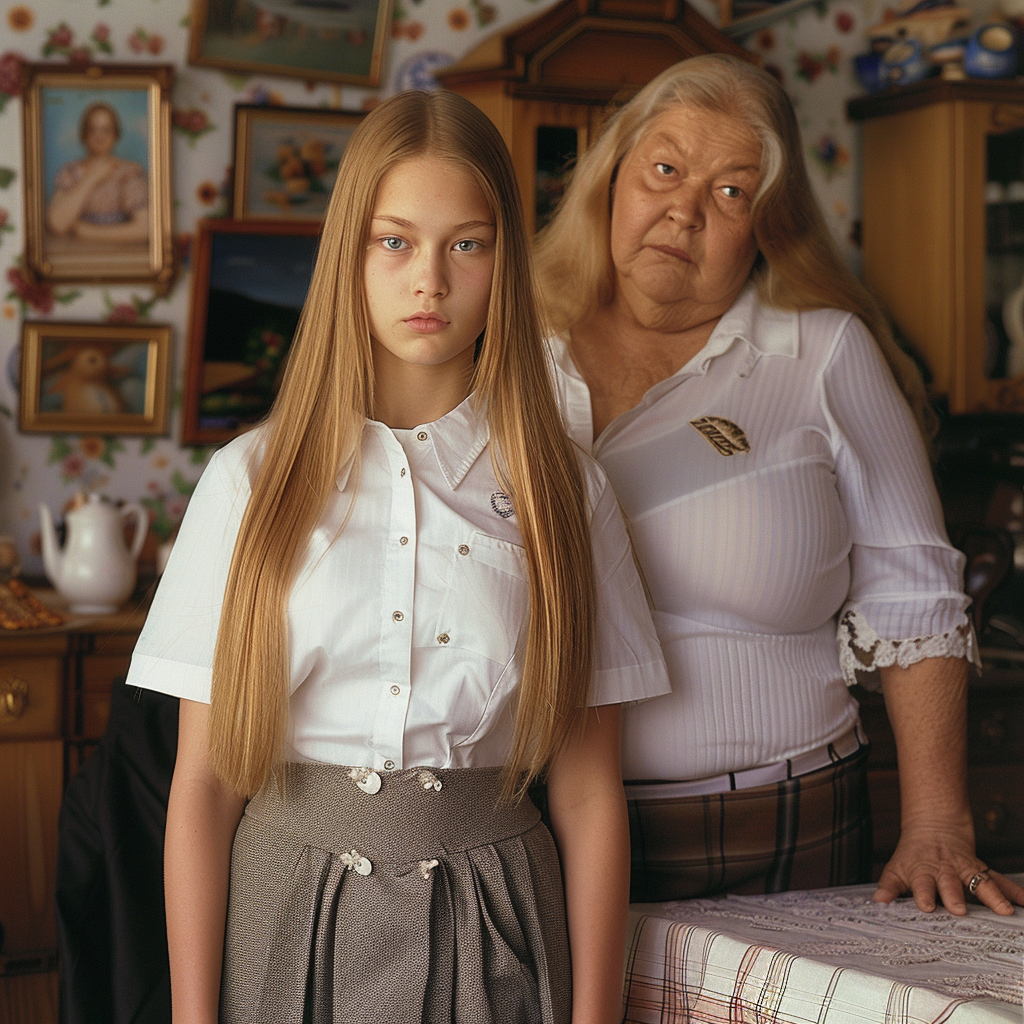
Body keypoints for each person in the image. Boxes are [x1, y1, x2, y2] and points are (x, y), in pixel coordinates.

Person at [125, 89, 669, 1024]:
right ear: (351, 255)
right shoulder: (247, 481)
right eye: (396, 241)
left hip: (498, 911)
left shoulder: (562, 489)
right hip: (285, 910)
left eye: (468, 244)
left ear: (505, 263)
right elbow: (205, 784)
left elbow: (587, 794)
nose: (431, 281)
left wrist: (596, 1019)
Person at [535, 53, 1024, 918]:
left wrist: (939, 824)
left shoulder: (823, 353)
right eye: (665, 168)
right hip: (538, 829)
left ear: (770, 224)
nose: (683, 210)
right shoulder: (508, 350)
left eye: (732, 191)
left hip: (789, 823)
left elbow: (916, 597)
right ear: (612, 177)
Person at [46, 102, 149, 244]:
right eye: (92, 130)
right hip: (75, 252)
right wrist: (91, 178)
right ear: (84, 135)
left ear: (115, 135)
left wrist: (87, 231)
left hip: (120, 252)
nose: (99, 136)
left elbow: (144, 229)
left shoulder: (129, 172)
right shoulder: (69, 171)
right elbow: (57, 224)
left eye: (106, 130)